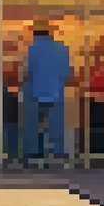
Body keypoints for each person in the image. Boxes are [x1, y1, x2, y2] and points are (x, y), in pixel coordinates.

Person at [22, 19, 72, 168]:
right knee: (55, 125)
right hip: (56, 91)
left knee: (34, 125)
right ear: (50, 33)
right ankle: (56, 153)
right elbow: (67, 73)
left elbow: (26, 71)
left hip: (34, 91)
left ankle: (35, 154)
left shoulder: (30, 49)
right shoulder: (62, 48)